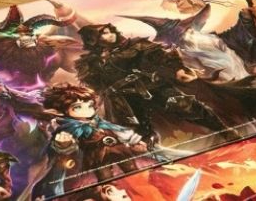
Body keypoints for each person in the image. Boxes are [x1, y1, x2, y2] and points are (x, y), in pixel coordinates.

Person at [75, 23, 241, 145]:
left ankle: (225, 131)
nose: (110, 34)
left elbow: (164, 58)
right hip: (124, 98)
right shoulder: (90, 62)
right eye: (104, 33)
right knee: (136, 130)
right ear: (93, 40)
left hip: (151, 87)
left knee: (185, 105)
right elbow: (94, 84)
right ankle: (154, 156)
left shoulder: (136, 45)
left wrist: (178, 70)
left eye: (110, 30)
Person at [31, 85, 148, 200]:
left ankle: (139, 188)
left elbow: (114, 128)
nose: (87, 110)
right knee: (105, 176)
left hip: (116, 148)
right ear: (62, 111)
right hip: (95, 156)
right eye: (78, 107)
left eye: (90, 105)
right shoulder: (69, 128)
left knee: (131, 168)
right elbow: (60, 153)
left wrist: (132, 139)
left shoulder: (96, 121)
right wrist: (64, 145)